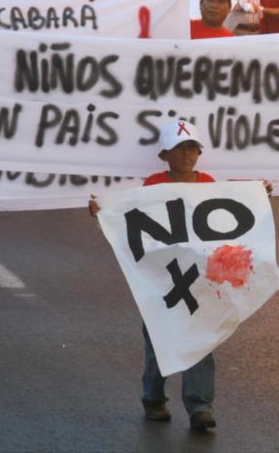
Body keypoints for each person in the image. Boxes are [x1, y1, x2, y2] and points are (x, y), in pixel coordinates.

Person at [88, 119, 219, 431]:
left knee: (201, 339)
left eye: (192, 149)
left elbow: (230, 219)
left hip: (199, 277)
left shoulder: (210, 184)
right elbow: (134, 220)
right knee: (160, 339)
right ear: (164, 155)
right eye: (179, 149)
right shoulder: (152, 185)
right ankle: (154, 398)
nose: (187, 156)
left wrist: (258, 196)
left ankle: (200, 406)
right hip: (161, 278)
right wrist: (103, 211)